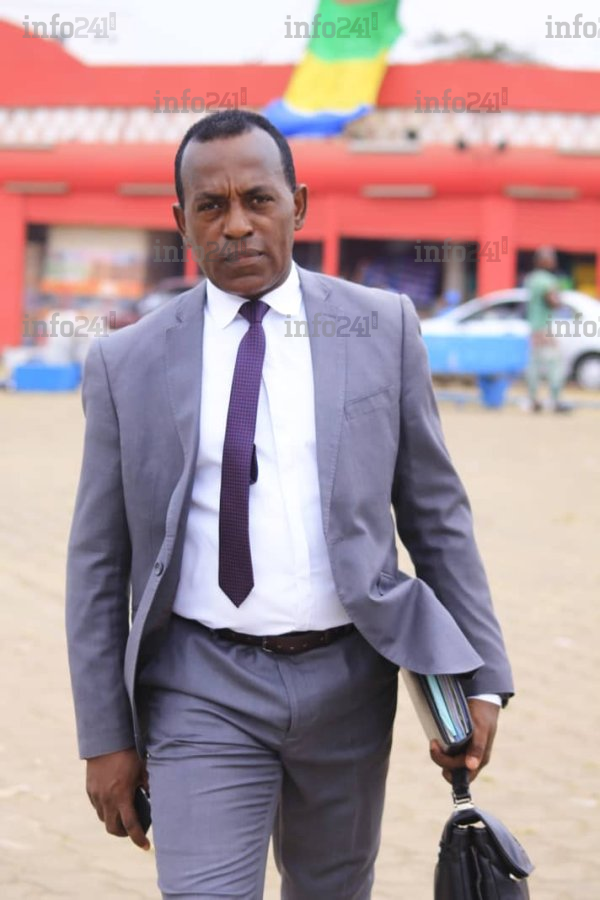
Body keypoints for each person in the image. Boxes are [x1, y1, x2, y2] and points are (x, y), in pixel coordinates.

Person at [66, 110, 513, 899]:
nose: (236, 225)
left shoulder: (381, 329)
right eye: (211, 206)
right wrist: (104, 735)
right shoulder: (124, 363)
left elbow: (437, 515)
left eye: (258, 200)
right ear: (181, 221)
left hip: (350, 681)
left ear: (297, 205)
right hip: (198, 683)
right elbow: (98, 562)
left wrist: (480, 675)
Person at [524, 246, 569, 413]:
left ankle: (533, 400)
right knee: (555, 364)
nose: (553, 261)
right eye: (550, 258)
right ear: (542, 260)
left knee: (534, 366)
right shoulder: (546, 280)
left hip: (534, 328)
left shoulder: (531, 278)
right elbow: (552, 301)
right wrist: (559, 298)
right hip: (544, 328)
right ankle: (555, 400)